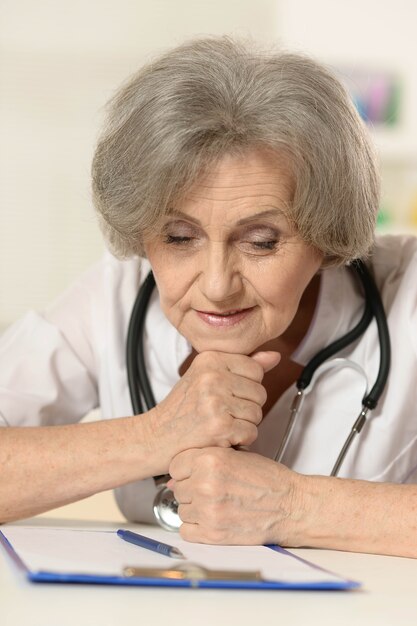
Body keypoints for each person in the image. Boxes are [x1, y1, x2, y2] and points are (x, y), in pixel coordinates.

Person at [1, 36, 417, 558]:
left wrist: (294, 506)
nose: (218, 285)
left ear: (325, 233)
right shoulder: (115, 295)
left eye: (261, 241)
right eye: (178, 238)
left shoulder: (408, 295)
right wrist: (153, 435)